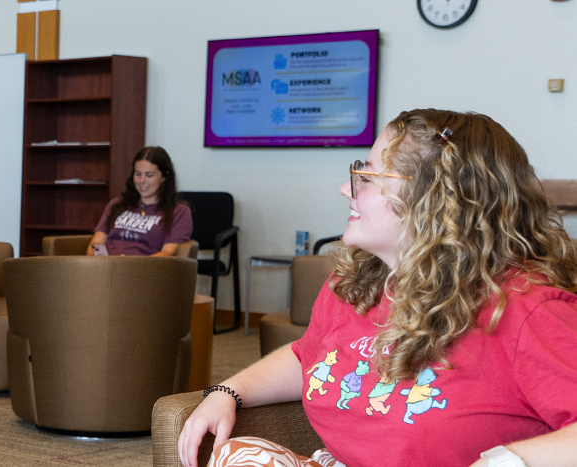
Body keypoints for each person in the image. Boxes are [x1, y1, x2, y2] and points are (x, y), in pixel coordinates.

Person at [178, 109, 577, 467]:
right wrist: (227, 391)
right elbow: (309, 358)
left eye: (368, 176)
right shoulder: (354, 283)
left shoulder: (527, 308)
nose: (346, 189)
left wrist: (505, 462)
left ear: (438, 197)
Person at [87, 147, 193, 256]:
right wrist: (105, 264)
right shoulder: (116, 205)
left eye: (149, 175)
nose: (141, 181)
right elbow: (96, 243)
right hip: (107, 268)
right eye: (138, 174)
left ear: (164, 177)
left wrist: (132, 266)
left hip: (145, 270)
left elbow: (167, 254)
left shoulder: (179, 212)